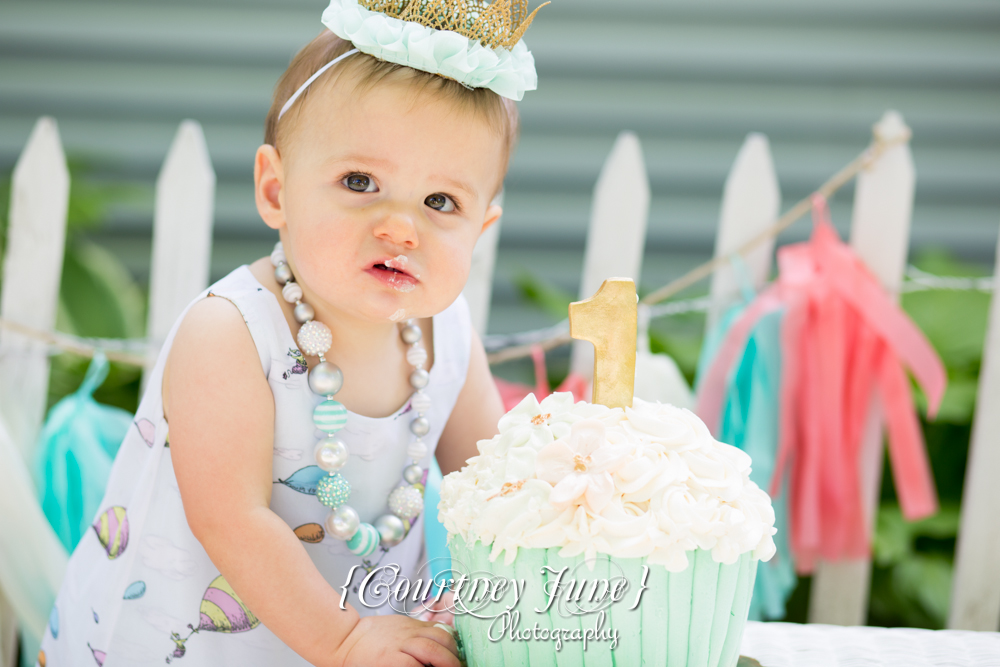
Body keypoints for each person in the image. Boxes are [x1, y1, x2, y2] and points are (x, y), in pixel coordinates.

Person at [37, 1, 545, 665]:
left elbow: (496, 484)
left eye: (440, 202)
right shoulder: (233, 333)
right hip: (185, 642)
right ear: (276, 190)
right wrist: (345, 638)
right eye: (360, 182)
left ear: (481, 228)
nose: (400, 227)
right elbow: (232, 518)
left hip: (363, 642)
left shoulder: (445, 334)